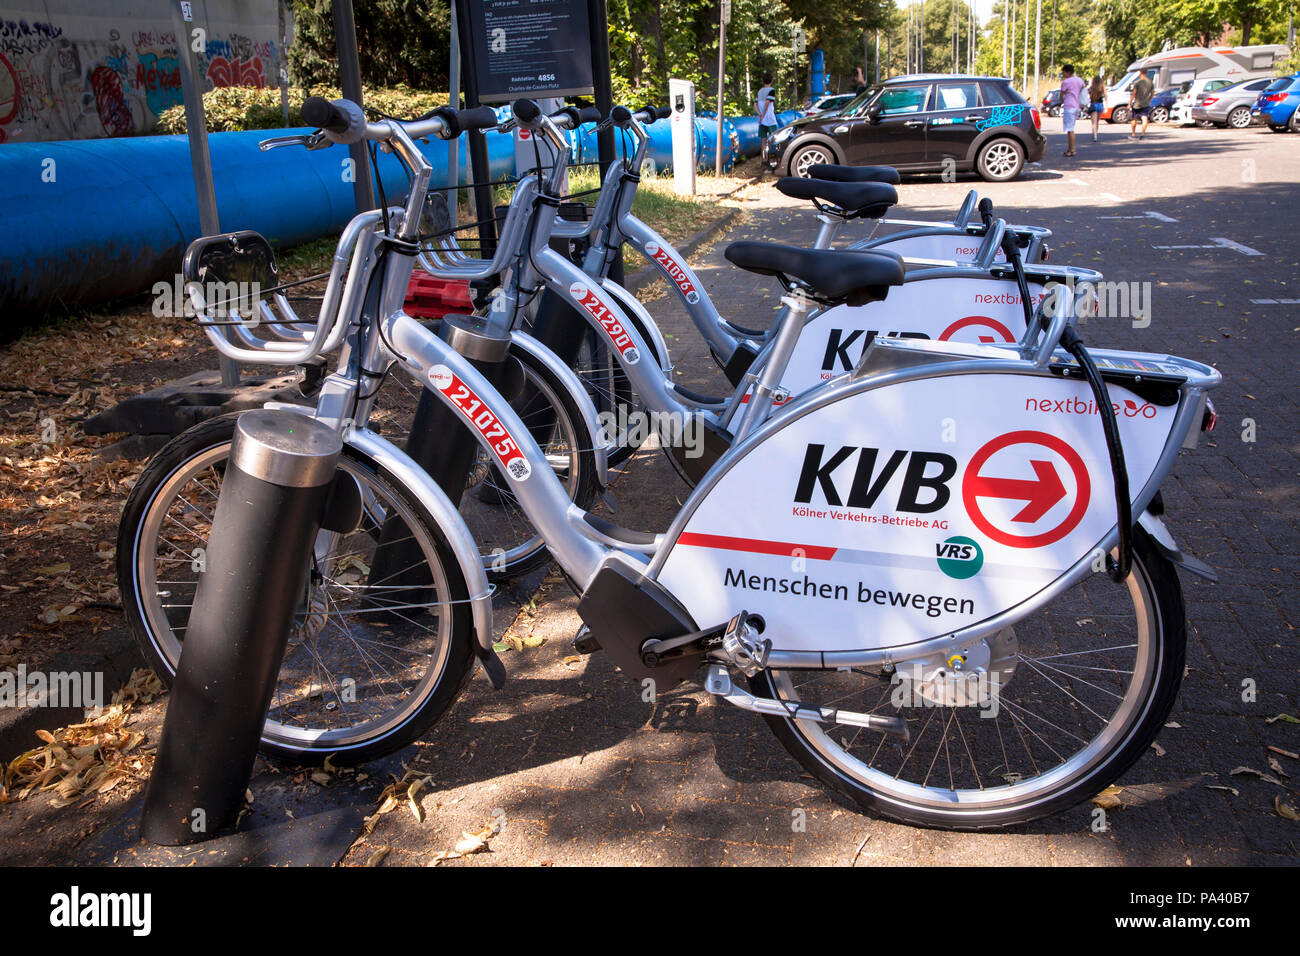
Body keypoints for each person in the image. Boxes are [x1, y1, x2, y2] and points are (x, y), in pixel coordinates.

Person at [1059, 64, 1086, 157]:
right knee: (1071, 128)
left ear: (1068, 72)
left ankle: (1072, 150)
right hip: (1076, 106)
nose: (1063, 74)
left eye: (1064, 72)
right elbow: (1083, 88)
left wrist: (1062, 100)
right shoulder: (1079, 80)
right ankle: (1070, 148)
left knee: (1070, 129)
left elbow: (1061, 95)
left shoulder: (1066, 82)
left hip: (1069, 106)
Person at [1130, 71, 1154, 139]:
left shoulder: (1137, 82)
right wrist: (1149, 101)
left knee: (1134, 118)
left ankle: (1133, 134)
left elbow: (1133, 94)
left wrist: (1129, 103)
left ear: (1141, 74)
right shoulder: (1150, 82)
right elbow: (1152, 94)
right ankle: (1143, 134)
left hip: (1137, 104)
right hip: (1145, 104)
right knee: (1144, 118)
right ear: (1146, 73)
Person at [756, 74, 777, 138]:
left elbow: (755, 104)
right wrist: (763, 116)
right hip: (770, 119)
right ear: (771, 81)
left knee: (763, 139)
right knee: (774, 138)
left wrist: (759, 114)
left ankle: (763, 146)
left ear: (763, 81)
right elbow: (767, 103)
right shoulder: (771, 90)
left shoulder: (760, 91)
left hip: (762, 121)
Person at [1088, 75, 1106, 142]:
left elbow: (1089, 96)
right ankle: (1096, 134)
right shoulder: (1102, 88)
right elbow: (1105, 96)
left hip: (1093, 105)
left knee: (1094, 122)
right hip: (1100, 105)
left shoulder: (1091, 88)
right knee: (1097, 121)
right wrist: (1106, 106)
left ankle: (1094, 135)